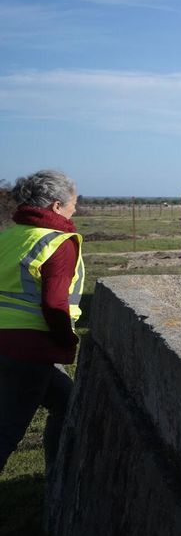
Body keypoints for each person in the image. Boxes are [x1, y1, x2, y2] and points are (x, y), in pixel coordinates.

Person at [0, 169, 83, 472]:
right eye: (73, 202)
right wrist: (67, 340)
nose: (76, 208)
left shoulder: (10, 235)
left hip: (6, 346)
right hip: (28, 350)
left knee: (68, 402)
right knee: (7, 431)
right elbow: (54, 303)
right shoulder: (58, 242)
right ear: (56, 207)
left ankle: (56, 475)